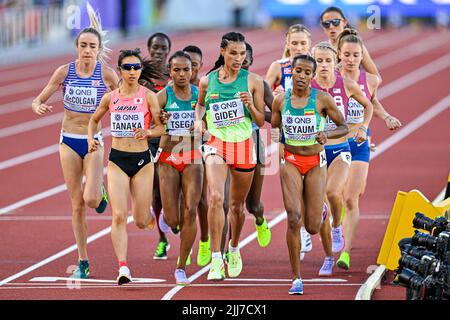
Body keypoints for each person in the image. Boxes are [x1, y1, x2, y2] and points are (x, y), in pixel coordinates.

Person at [31, 4, 118, 279]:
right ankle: (83, 260)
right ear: (76, 47)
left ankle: (100, 192)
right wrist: (38, 106)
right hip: (67, 140)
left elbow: (124, 100)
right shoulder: (64, 72)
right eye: (83, 45)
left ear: (98, 47)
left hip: (92, 141)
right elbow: (38, 98)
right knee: (76, 203)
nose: (87, 50)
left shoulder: (105, 74)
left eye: (92, 46)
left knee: (91, 199)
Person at [271, 54, 349, 295]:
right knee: (294, 217)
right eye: (298, 71)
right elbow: (274, 124)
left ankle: (322, 211)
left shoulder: (322, 100)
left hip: (315, 162)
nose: (302, 76)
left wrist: (327, 135)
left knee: (313, 226)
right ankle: (296, 278)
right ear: (291, 72)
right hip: (291, 162)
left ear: (312, 76)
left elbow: (343, 126)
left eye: (307, 72)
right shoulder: (281, 100)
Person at [87, 48, 165, 285]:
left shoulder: (148, 96)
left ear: (141, 70)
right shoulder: (111, 97)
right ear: (120, 70)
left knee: (140, 221)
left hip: (142, 162)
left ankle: (148, 215)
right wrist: (92, 138)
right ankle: (123, 267)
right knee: (119, 215)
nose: (132, 72)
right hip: (118, 161)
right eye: (128, 68)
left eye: (136, 67)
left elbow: (162, 128)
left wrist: (149, 131)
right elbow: (93, 120)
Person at [194, 32, 265, 281]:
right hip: (217, 144)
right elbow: (200, 106)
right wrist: (199, 123)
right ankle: (216, 259)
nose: (238, 58)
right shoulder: (207, 81)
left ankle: (233, 249)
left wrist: (251, 106)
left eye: (242, 53)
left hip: (244, 146)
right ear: (222, 51)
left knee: (236, 207)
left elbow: (261, 121)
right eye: (233, 53)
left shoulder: (253, 81)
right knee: (215, 198)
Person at [335, 29, 400, 270]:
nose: (351, 59)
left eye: (356, 55)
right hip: (335, 142)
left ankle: (346, 253)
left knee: (352, 197)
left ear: (362, 56)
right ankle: (333, 222)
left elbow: (371, 102)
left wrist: (386, 117)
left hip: (360, 141)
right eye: (347, 55)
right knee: (335, 195)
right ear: (339, 55)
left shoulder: (370, 80)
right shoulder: (331, 79)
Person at [311, 41, 373, 276]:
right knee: (318, 209)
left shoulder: (346, 84)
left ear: (335, 61)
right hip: (315, 152)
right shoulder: (307, 87)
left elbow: (368, 106)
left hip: (340, 148)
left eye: (328, 60)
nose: (324, 65)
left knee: (334, 192)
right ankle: (328, 257)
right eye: (319, 60)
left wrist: (363, 129)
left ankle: (337, 228)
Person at [265, 24, 314, 259]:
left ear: (310, 45)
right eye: (294, 43)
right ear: (287, 43)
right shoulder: (279, 67)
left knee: (312, 186)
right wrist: (273, 98)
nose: (298, 47)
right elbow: (263, 93)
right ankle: (302, 228)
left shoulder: (313, 67)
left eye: (303, 43)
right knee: (295, 186)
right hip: (286, 135)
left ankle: (313, 217)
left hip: (313, 134)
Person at [156, 51, 203, 285]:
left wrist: (203, 124)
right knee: (174, 220)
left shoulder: (199, 95)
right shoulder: (162, 97)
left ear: (193, 71)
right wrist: (160, 122)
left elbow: (209, 121)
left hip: (193, 155)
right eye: (177, 70)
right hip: (168, 156)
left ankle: (181, 266)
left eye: (186, 69)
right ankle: (166, 215)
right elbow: (150, 126)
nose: (182, 74)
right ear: (170, 72)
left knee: (191, 210)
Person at [142, 32, 172, 260]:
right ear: (149, 49)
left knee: (174, 190)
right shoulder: (140, 77)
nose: (159, 52)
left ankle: (174, 219)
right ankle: (162, 239)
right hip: (149, 139)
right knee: (156, 193)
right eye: (155, 48)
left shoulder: (175, 75)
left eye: (163, 48)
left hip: (173, 140)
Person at [182, 45, 212, 267]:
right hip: (175, 150)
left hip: (201, 150)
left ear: (200, 66)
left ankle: (203, 240)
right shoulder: (172, 89)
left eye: (194, 65)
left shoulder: (205, 87)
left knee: (201, 200)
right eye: (185, 65)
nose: (189, 69)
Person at [319, 6, 381, 82]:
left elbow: (377, 78)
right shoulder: (320, 50)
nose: (331, 26)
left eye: (336, 22)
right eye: (326, 24)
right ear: (322, 26)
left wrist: (358, 89)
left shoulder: (355, 46)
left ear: (344, 22)